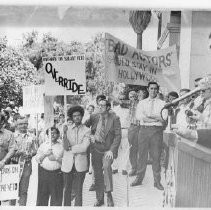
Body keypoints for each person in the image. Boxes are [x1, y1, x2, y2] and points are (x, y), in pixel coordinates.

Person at [85, 99, 122, 207]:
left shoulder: (114, 118)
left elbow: (118, 136)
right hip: (96, 148)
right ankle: (99, 198)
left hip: (108, 150)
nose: (100, 107)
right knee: (97, 173)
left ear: (107, 107)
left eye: (103, 105)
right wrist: (90, 135)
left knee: (106, 167)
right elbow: (84, 127)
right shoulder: (94, 117)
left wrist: (112, 150)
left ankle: (109, 194)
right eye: (99, 105)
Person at [132, 81, 166, 190]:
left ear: (158, 90)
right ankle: (139, 178)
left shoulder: (162, 103)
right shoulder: (142, 103)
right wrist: (155, 117)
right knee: (141, 155)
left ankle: (157, 181)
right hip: (143, 130)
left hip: (156, 131)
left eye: (155, 89)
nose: (153, 90)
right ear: (148, 89)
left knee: (156, 156)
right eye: (151, 88)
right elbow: (138, 116)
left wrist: (149, 116)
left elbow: (164, 118)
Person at [62, 106, 91, 206]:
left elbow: (84, 148)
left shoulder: (87, 130)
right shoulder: (67, 129)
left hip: (80, 163)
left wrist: (71, 148)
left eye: (79, 115)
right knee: (67, 190)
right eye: (74, 116)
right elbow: (65, 147)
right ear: (72, 118)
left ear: (82, 116)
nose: (77, 117)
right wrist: (64, 133)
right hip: (68, 163)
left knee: (79, 190)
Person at [36, 127, 64, 206]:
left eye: (54, 133)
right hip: (44, 174)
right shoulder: (43, 145)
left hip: (57, 174)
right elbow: (37, 160)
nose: (52, 134)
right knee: (42, 198)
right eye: (50, 133)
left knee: (56, 198)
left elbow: (65, 162)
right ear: (47, 135)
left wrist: (56, 158)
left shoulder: (61, 146)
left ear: (58, 135)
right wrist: (45, 154)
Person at [13, 118, 37, 206]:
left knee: (23, 190)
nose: (23, 125)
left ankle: (22, 207)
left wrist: (30, 154)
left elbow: (35, 150)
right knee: (13, 191)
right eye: (21, 124)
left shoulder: (32, 136)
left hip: (26, 166)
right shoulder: (12, 136)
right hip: (14, 165)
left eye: (25, 123)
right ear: (17, 125)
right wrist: (17, 153)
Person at [127, 91, 141, 177]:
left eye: (133, 97)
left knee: (140, 149)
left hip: (139, 127)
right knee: (132, 148)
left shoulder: (140, 104)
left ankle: (139, 169)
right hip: (132, 127)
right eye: (130, 97)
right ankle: (134, 168)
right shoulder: (130, 105)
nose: (132, 98)